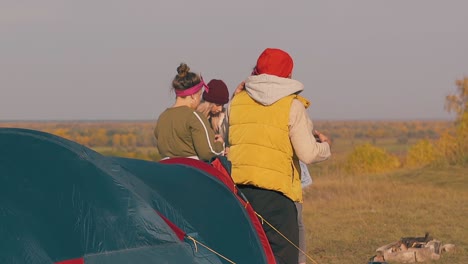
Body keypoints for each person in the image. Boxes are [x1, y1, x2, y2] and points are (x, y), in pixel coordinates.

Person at [227, 48, 332, 264]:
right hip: (277, 198)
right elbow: (308, 153)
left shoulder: (235, 103)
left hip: (240, 195)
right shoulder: (292, 106)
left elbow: (228, 137)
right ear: (288, 75)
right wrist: (325, 147)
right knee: (284, 258)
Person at [154, 63, 224, 161]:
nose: (200, 100)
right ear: (193, 96)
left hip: (166, 169)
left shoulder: (162, 117)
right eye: (199, 95)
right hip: (191, 170)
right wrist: (220, 144)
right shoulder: (194, 116)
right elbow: (208, 153)